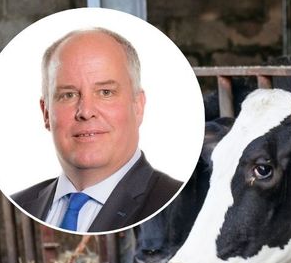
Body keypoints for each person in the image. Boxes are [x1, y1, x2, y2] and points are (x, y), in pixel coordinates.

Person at [12, 27, 181, 233]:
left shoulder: (176, 201)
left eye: (105, 92)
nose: (86, 111)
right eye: (68, 95)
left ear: (138, 106)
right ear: (46, 113)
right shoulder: (19, 204)